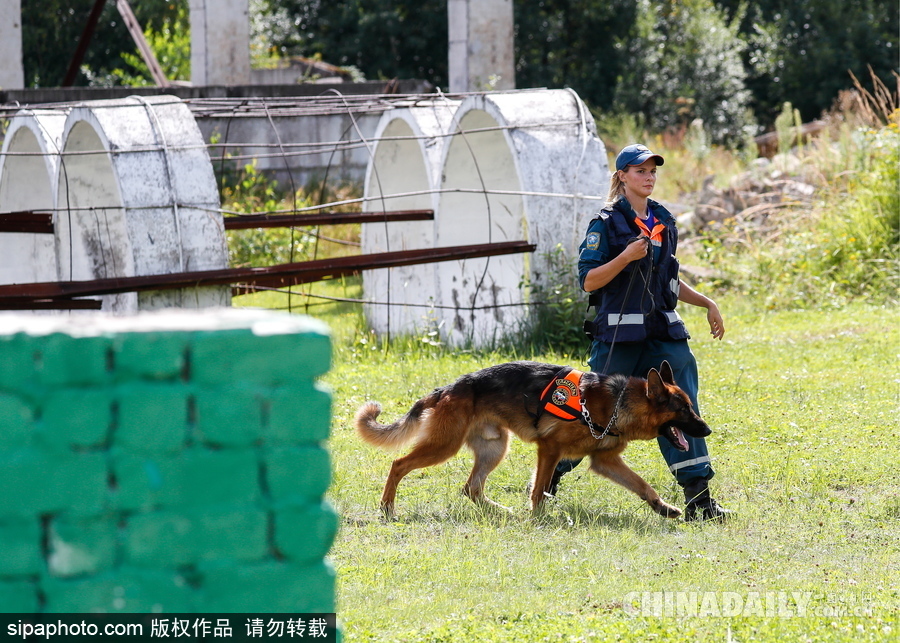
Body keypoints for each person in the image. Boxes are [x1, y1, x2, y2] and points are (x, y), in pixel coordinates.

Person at [550, 143, 731, 522]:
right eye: (639, 171)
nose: (648, 177)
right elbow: (588, 281)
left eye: (652, 171)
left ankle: (699, 499)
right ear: (622, 177)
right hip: (617, 338)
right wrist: (625, 257)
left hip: (665, 335)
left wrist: (708, 303)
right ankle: (549, 480)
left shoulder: (663, 219)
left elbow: (671, 281)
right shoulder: (605, 223)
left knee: (683, 408)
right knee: (593, 413)